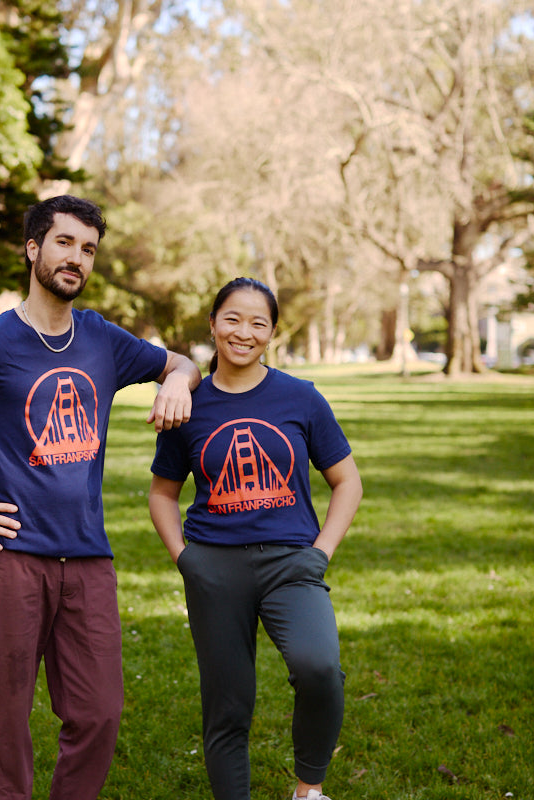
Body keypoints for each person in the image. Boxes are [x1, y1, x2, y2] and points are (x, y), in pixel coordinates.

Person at [0, 195, 201, 800]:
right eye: (64, 243)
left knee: (100, 713)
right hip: (9, 562)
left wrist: (179, 383)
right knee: (4, 722)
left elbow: (180, 361)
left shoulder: (103, 339)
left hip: (87, 559)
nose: (76, 259)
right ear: (32, 249)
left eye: (87, 249)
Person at [149, 277, 362, 800]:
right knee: (228, 702)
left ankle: (308, 790)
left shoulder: (299, 397)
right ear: (214, 323)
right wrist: (185, 559)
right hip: (213, 566)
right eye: (233, 319)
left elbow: (347, 481)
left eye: (258, 323)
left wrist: (320, 553)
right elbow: (162, 494)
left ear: (271, 332)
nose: (243, 332)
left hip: (292, 562)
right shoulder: (188, 405)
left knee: (319, 670)